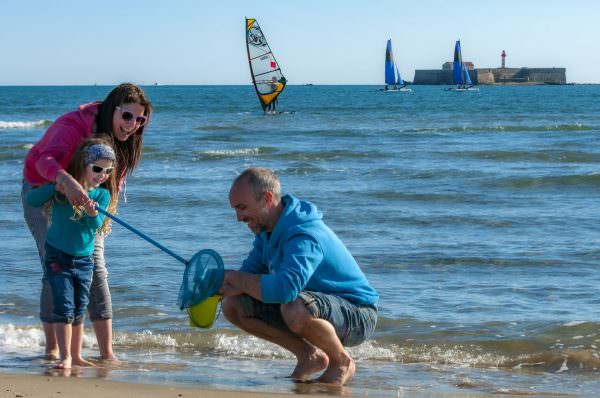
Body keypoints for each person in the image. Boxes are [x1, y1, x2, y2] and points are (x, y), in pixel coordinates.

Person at [21, 83, 152, 361]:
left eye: (140, 119)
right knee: (55, 268)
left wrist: (101, 212)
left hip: (89, 201)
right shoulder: (73, 125)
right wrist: (65, 183)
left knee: (95, 266)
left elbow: (112, 181)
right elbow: (45, 160)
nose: (132, 125)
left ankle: (107, 353)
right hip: (46, 189)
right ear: (111, 110)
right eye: (127, 116)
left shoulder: (125, 141)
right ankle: (53, 350)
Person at [220, 167, 379, 386]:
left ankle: (341, 361)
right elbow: (246, 278)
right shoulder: (265, 233)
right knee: (233, 304)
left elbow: (285, 289)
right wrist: (217, 285)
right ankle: (309, 356)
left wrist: (235, 279)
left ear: (267, 199)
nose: (238, 217)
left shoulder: (303, 234)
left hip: (357, 314)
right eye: (235, 209)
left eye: (242, 207)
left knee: (293, 305)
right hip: (311, 306)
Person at [27, 139, 117, 369]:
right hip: (58, 256)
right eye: (97, 168)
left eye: (108, 171)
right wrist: (54, 187)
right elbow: (32, 200)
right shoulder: (64, 190)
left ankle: (75, 356)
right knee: (64, 305)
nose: (102, 174)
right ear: (84, 164)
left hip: (84, 260)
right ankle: (64, 356)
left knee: (78, 308)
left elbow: (95, 225)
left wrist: (90, 211)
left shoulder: (101, 196)